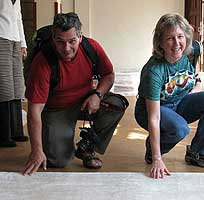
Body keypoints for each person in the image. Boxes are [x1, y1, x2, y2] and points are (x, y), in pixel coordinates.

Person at [22, 12, 127, 175]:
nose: (66, 48)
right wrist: (36, 150)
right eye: (60, 42)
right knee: (58, 160)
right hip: (57, 109)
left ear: (80, 36)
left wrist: (97, 95)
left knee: (116, 105)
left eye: (72, 41)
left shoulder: (91, 47)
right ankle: (54, 139)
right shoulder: (43, 61)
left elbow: (109, 75)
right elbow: (34, 111)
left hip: (86, 101)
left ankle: (87, 147)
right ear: (53, 38)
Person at [134, 13, 204, 179]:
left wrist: (195, 94)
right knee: (180, 128)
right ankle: (153, 148)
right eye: (170, 38)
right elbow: (154, 117)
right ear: (160, 42)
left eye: (180, 37)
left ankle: (198, 153)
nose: (177, 43)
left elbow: (195, 79)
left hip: (178, 102)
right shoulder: (154, 71)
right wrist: (157, 158)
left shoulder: (189, 54)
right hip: (152, 110)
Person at [0, 0, 28, 147]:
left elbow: (18, 19)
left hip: (15, 40)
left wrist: (23, 44)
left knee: (17, 87)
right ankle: (4, 135)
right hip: (1, 38)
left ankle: (17, 131)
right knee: (5, 87)